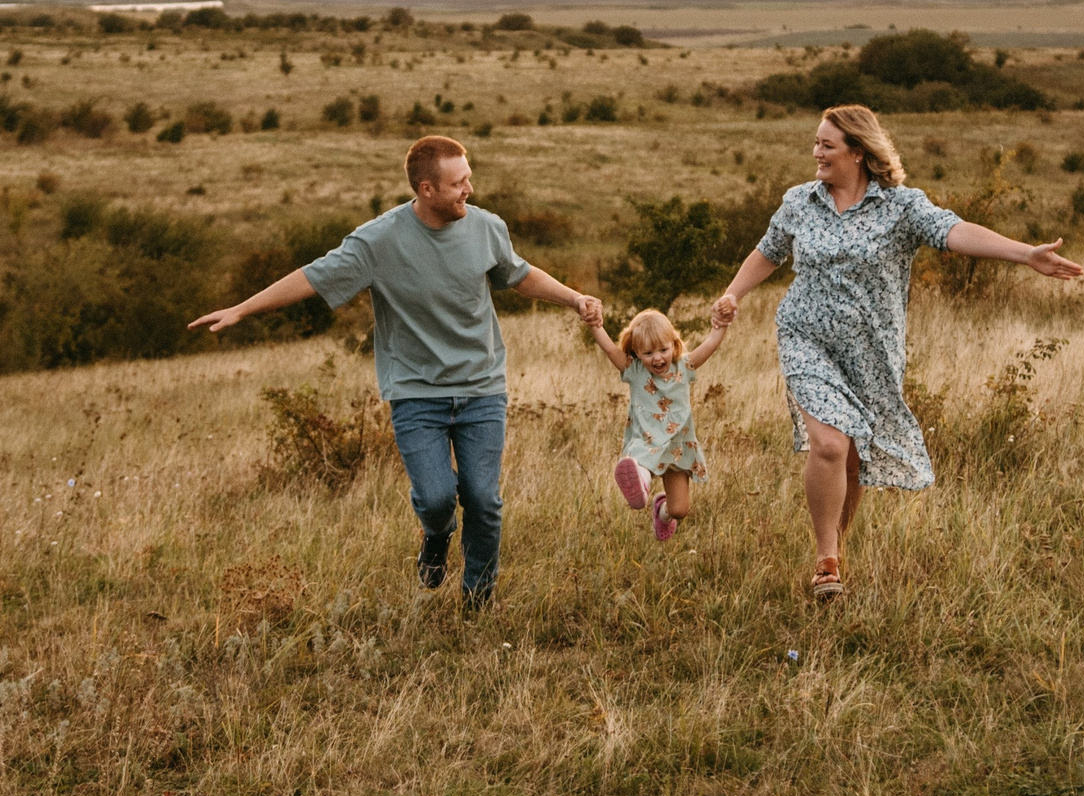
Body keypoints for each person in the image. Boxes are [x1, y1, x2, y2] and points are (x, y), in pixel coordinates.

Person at [191, 135, 603, 609]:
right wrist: (243, 309)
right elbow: (313, 276)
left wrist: (574, 298)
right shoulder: (379, 240)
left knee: (484, 501)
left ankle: (477, 602)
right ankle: (436, 536)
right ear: (426, 189)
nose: (469, 188)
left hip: (482, 386)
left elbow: (519, 273)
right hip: (416, 391)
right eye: (457, 183)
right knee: (435, 499)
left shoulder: (488, 228)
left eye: (468, 177)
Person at [712, 104, 1084, 602]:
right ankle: (826, 563)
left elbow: (955, 232)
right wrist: (733, 293)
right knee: (829, 444)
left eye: (827, 145)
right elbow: (770, 250)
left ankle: (835, 550)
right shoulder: (800, 201)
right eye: (816, 143)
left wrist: (1024, 253)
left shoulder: (901, 207)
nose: (816, 152)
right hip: (807, 338)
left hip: (870, 353)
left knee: (852, 459)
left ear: (858, 152)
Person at [589, 308, 726, 542]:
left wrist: (722, 323)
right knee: (639, 465)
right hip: (645, 442)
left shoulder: (684, 366)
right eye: (648, 352)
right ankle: (639, 483)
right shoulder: (635, 371)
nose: (658, 358)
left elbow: (711, 344)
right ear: (636, 352)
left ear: (674, 344)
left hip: (677, 447)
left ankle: (661, 511)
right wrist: (595, 324)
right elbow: (610, 348)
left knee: (680, 510)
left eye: (663, 349)